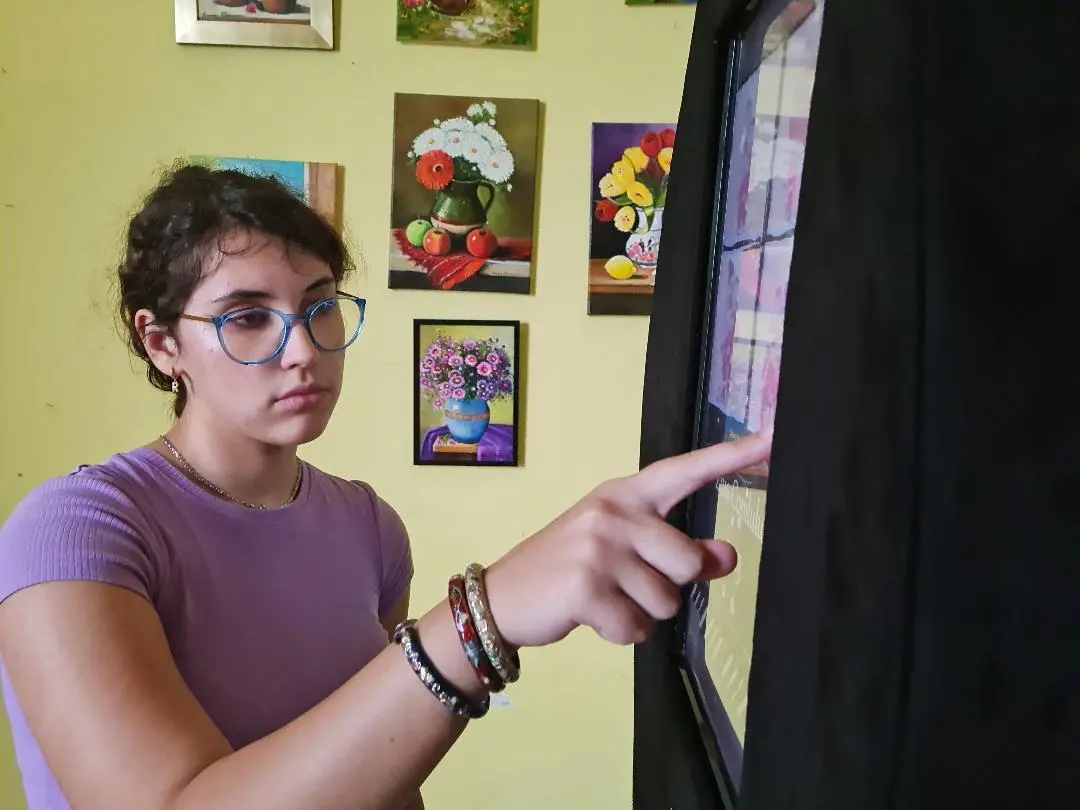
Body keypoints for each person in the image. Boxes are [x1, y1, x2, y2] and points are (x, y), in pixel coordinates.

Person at [0, 164, 772, 810]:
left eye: (319, 306)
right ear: (163, 343)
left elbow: (379, 775)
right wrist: (484, 615)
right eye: (246, 317)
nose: (303, 349)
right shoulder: (76, 531)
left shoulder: (367, 524)